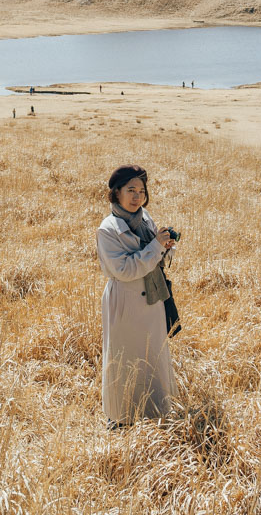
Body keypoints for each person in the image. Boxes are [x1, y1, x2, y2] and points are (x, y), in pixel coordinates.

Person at [97, 164, 177, 427]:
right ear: (116, 192)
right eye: (130, 190)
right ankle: (120, 419)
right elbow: (124, 269)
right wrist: (155, 246)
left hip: (151, 301)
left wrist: (166, 248)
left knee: (151, 358)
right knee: (123, 360)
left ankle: (155, 416)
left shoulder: (145, 219)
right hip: (126, 302)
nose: (137, 196)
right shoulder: (108, 229)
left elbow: (155, 260)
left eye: (141, 191)